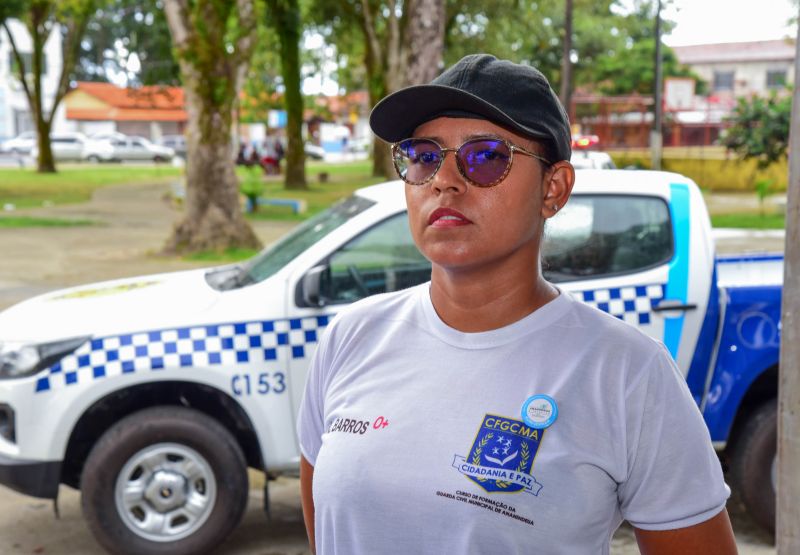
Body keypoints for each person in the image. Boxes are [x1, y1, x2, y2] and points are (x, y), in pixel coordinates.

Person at [297, 54, 737, 554]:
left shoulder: (626, 374)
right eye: (422, 155)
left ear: (554, 189)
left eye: (486, 156)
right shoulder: (351, 337)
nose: (444, 180)